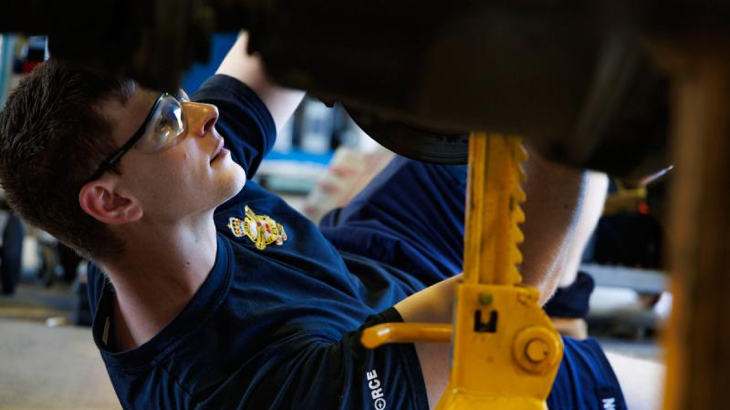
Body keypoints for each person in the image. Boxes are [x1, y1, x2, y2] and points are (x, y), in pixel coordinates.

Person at [0, 32, 660, 409]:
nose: (201, 114)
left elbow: (276, 52)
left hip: (371, 266)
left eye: (176, 99)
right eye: (169, 120)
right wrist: (581, 119)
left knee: (490, 124)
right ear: (111, 201)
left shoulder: (144, 231)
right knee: (569, 144)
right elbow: (509, 297)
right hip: (418, 348)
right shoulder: (269, 396)